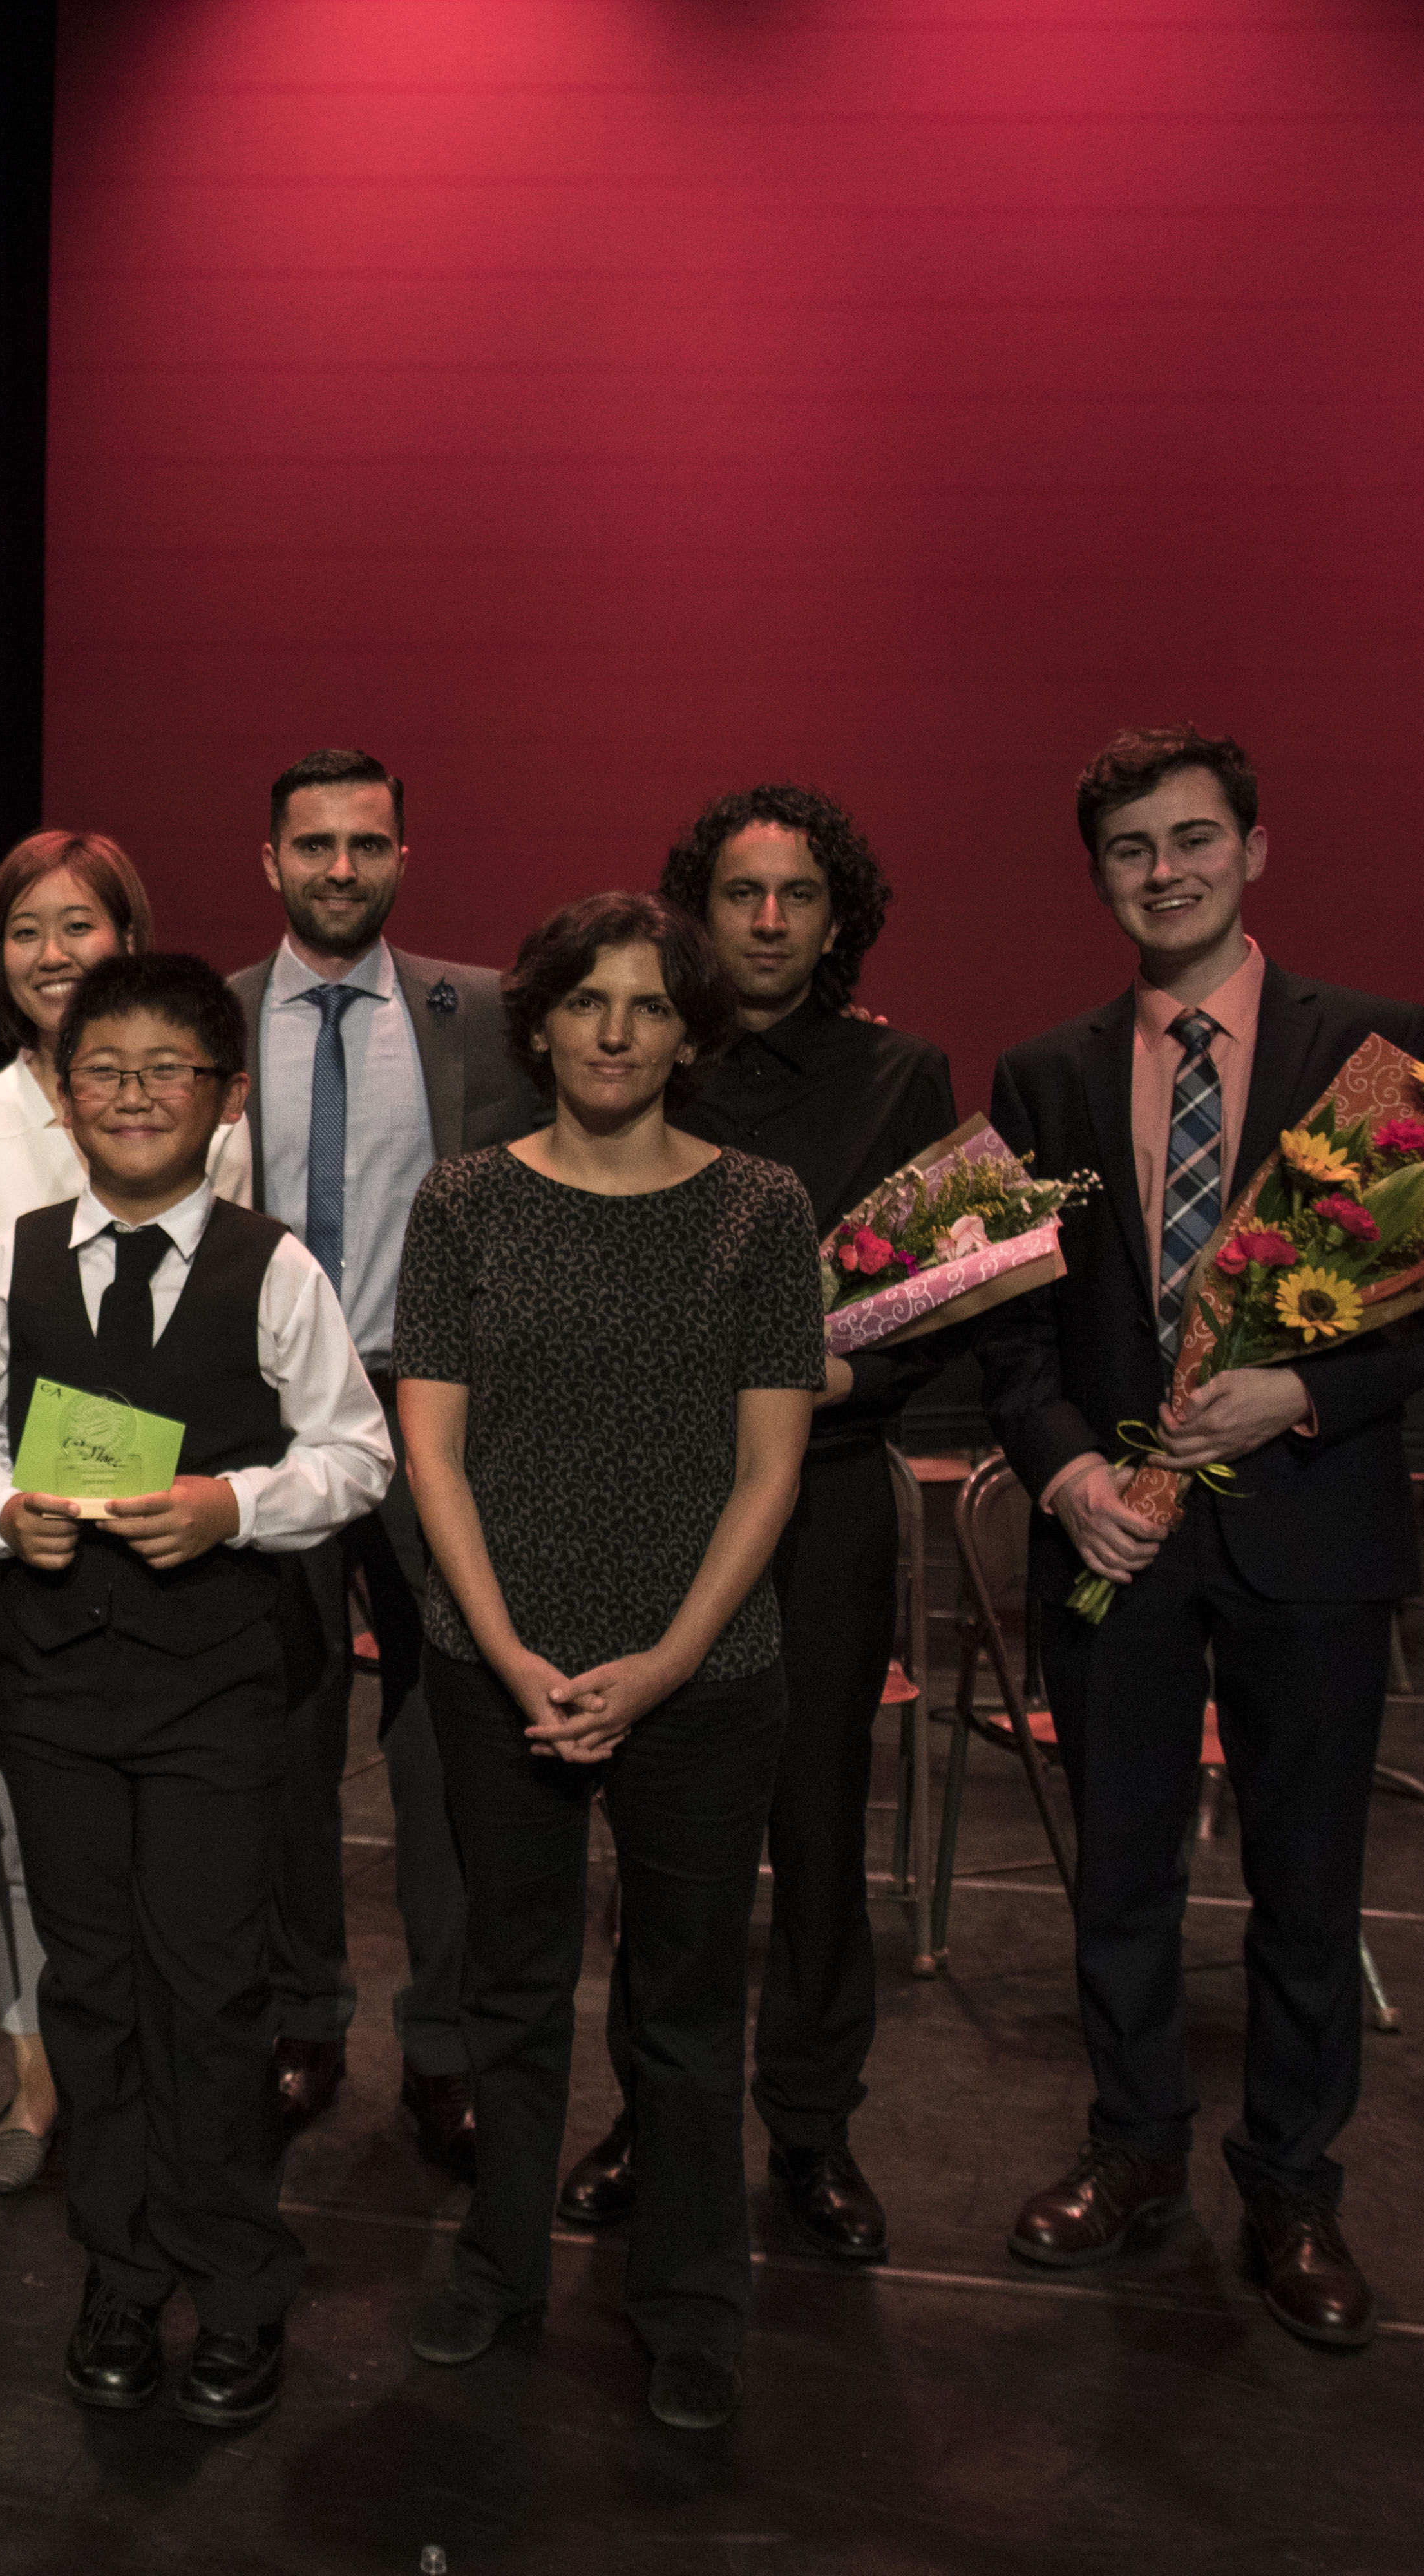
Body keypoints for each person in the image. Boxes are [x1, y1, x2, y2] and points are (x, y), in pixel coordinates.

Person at [983, 727, 1424, 2351]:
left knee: (1309, 1883)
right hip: (1115, 1544)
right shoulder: (1045, 1074)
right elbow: (1014, 1331)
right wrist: (1066, 1470)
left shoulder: (1382, 1048)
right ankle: (1133, 2148)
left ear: (1254, 851)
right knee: (1120, 1874)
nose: (1167, 870)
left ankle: (1293, 2184)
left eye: (1194, 837)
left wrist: (1305, 1393)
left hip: (1312, 1536)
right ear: (1099, 874)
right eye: (1132, 847)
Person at [392, 890, 822, 2434]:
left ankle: (692, 2303)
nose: (617, 1031)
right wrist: (512, 1655)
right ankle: (499, 2263)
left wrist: (662, 1662)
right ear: (543, 1021)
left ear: (690, 1033)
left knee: (687, 2002)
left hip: (702, 1674)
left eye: (648, 1004)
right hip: (497, 1662)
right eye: (587, 1000)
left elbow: (771, 1469)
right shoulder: (462, 1202)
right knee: (510, 1985)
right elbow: (432, 1453)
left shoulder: (762, 1207)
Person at [0, 951, 394, 2434]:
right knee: (91, 1983)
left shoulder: (273, 1265)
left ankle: (239, 2274)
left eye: (167, 1071)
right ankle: (122, 2267)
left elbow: (358, 1452)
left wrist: (234, 1505)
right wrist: (2, 1506)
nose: (134, 1094)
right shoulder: (14, 1257)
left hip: (216, 1687)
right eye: (105, 1070)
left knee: (209, 1988)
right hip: (56, 1682)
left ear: (226, 1097)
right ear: (63, 1093)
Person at [553, 788, 954, 2263]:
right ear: (698, 910)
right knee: (662, 1829)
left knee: (818, 1823)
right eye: (741, 892)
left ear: (839, 919)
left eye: (798, 894)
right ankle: (651, 2109)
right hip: (656, 1491)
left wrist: (835, 1375)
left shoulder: (902, 1073)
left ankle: (812, 2123)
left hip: (826, 1493)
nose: (769, 919)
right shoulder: (649, 1056)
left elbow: (938, 1305)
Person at [0, 831, 251, 2194]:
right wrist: (22, 1491)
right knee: (6, 1807)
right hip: (12, 1514)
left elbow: (225, 1312)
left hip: (176, 1520)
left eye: (80, 926)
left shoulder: (212, 1112)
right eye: (24, 931)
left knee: (174, 1832)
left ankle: (164, 2067)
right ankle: (37, 2064)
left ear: (131, 939)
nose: (53, 954)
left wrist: (152, 1475)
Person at [225, 749, 544, 2167]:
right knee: (284, 1738)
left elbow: (636, 1072)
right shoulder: (215, 1018)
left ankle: (447, 2044)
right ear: (271, 861)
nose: (340, 867)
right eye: (314, 844)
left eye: (366, 843)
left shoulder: (490, 1013)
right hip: (267, 1415)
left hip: (437, 1415)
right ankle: (302, 2019)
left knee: (444, 1744)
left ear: (405, 857)